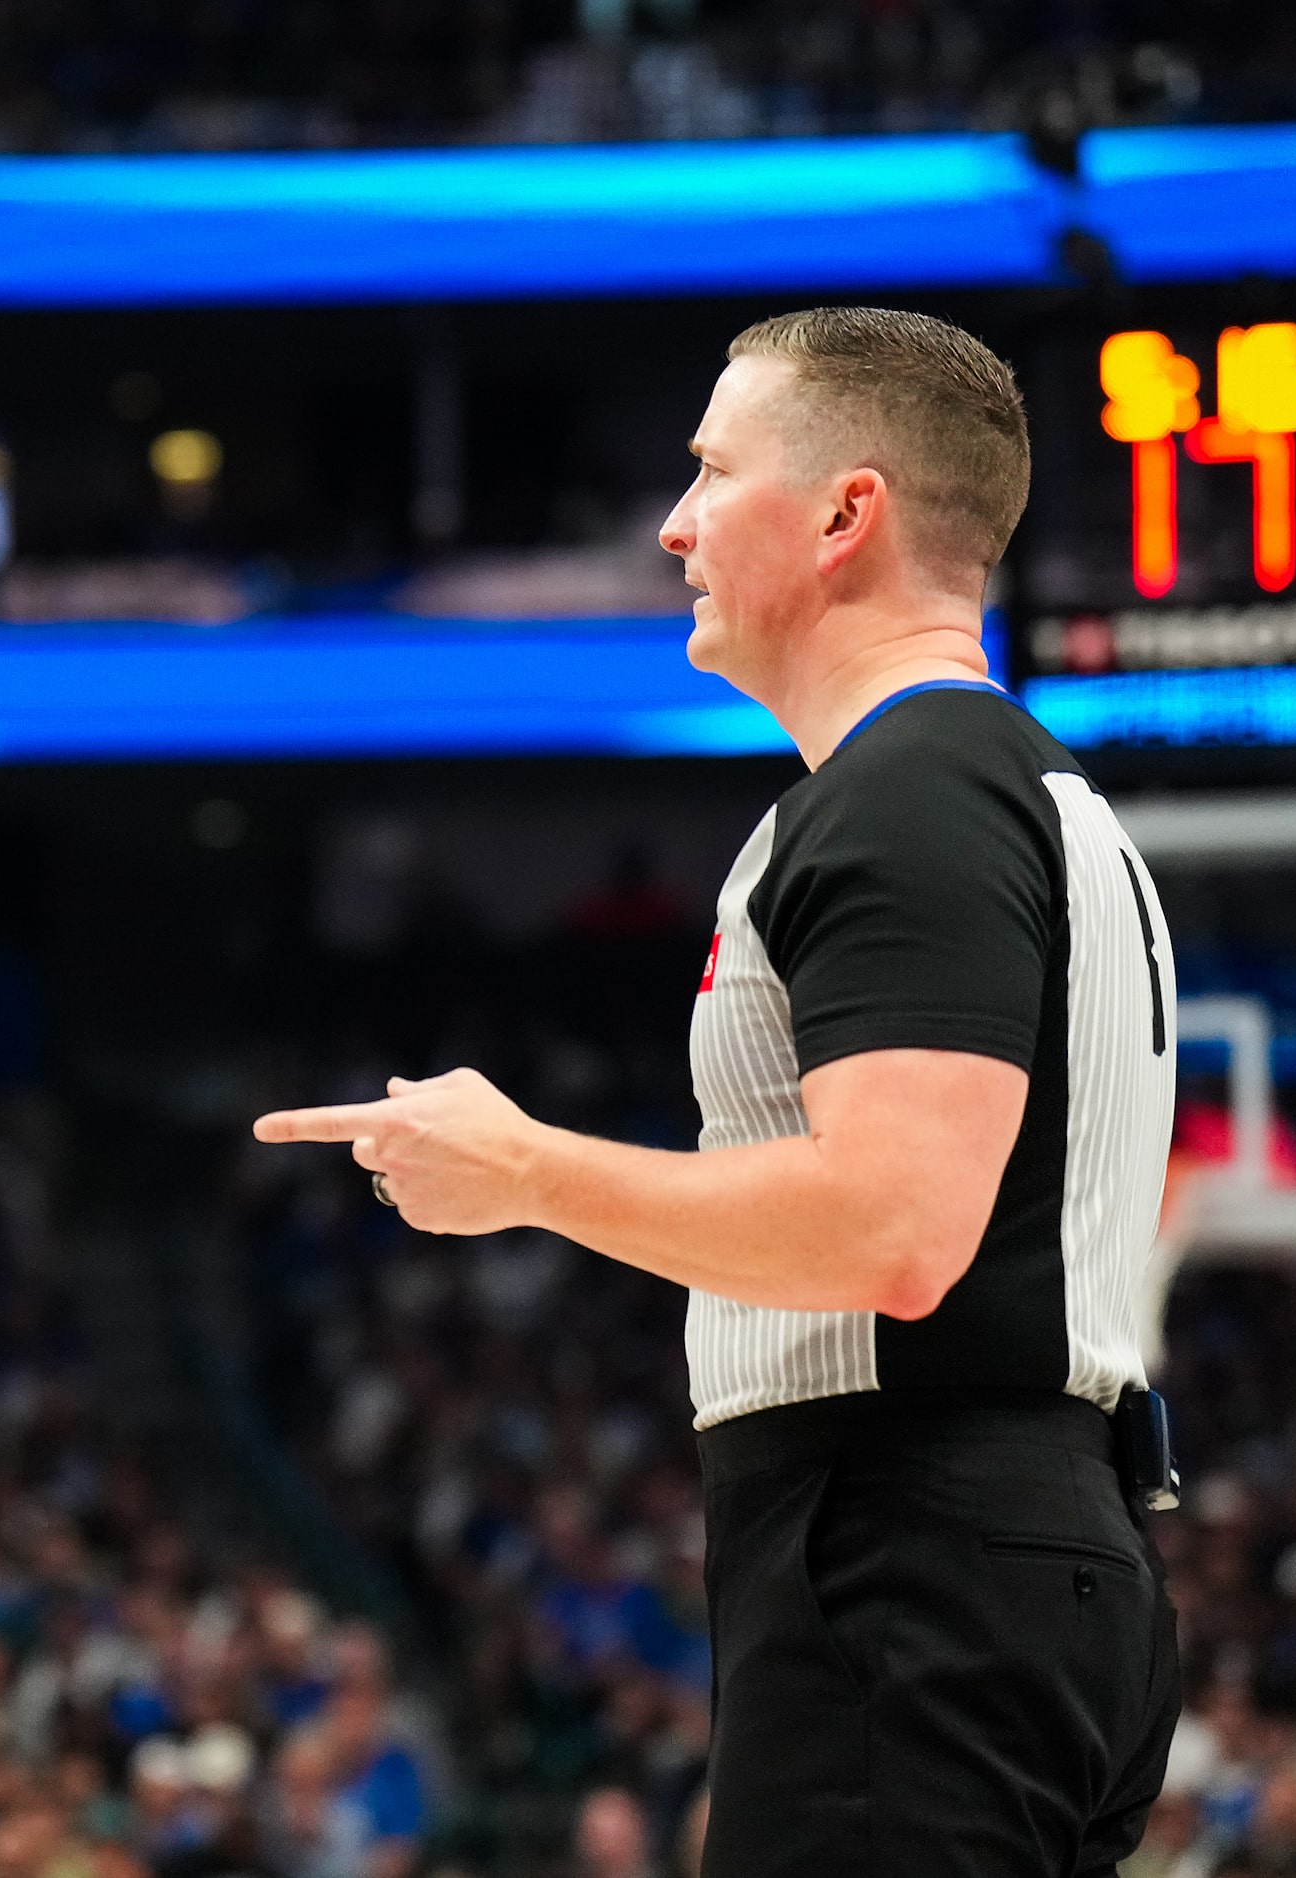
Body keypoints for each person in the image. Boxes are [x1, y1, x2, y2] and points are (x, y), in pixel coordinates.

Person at [256, 307, 1180, 1873]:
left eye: (707, 471)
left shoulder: (908, 793)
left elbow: (894, 1228)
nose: (670, 523)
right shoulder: (1021, 788)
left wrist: (527, 1169)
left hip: (914, 1549)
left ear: (843, 513)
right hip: (1012, 1546)